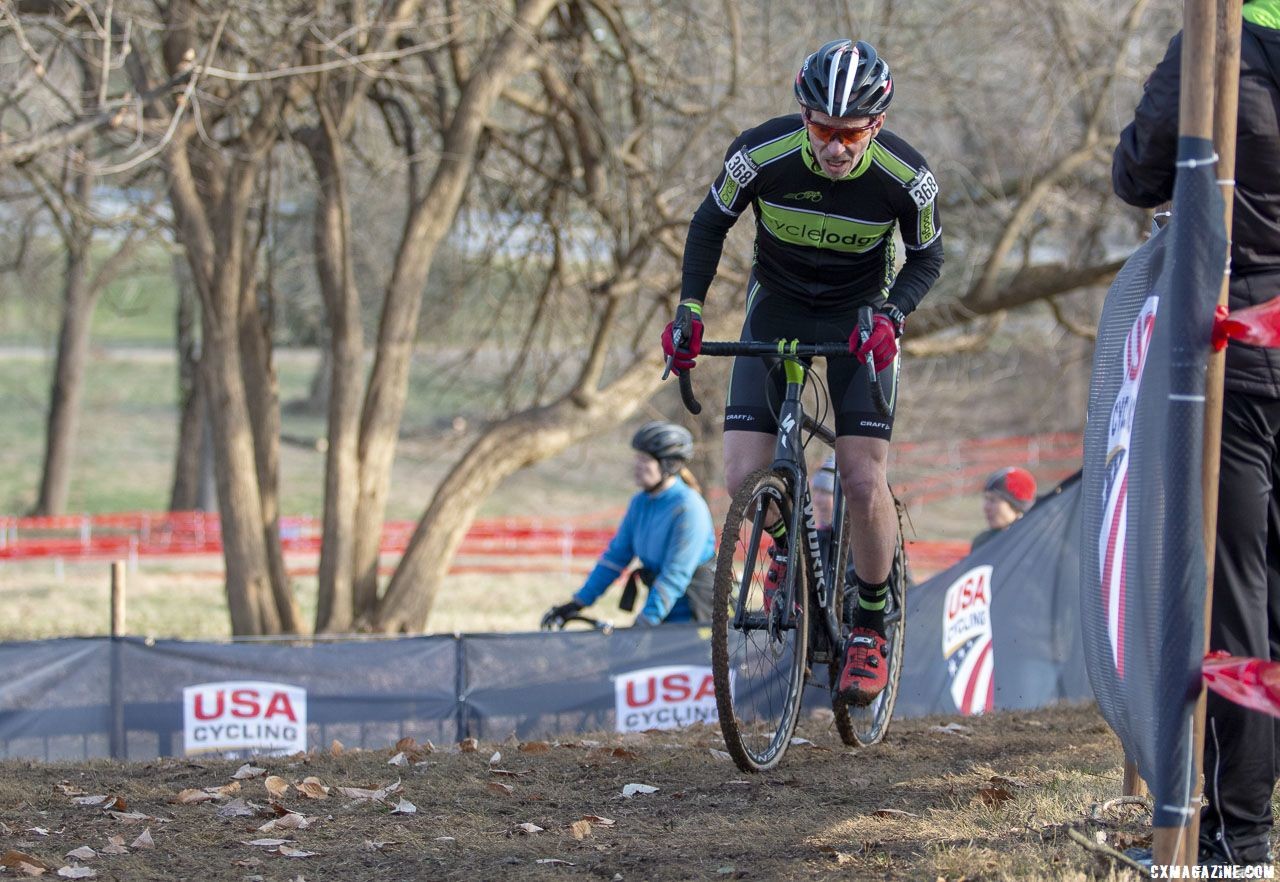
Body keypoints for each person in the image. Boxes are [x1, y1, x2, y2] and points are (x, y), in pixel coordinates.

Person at [661, 39, 943, 707]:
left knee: (861, 475)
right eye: (823, 129)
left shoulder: (909, 177)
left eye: (851, 133)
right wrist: (690, 308)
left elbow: (928, 258)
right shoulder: (759, 153)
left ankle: (870, 621)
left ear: (875, 126)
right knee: (738, 475)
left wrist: (893, 315)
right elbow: (709, 225)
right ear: (803, 114)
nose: (836, 146)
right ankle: (787, 545)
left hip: (858, 317)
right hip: (778, 305)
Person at [1112, 1, 1280, 867]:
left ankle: (1237, 837)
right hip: (1251, 344)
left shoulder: (1218, 35)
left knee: (1236, 593)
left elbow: (1141, 169)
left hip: (1240, 354)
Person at [541, 421, 716, 628]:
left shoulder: (688, 507)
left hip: (695, 611)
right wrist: (578, 602)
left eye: (644, 460)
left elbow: (675, 575)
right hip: (661, 605)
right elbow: (615, 558)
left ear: (668, 465)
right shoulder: (640, 502)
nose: (637, 466)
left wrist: (645, 622)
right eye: (637, 459)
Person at [970, 466, 1037, 552]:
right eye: (986, 499)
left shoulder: (1034, 545)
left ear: (1016, 507)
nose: (986, 507)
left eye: (993, 500)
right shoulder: (982, 543)